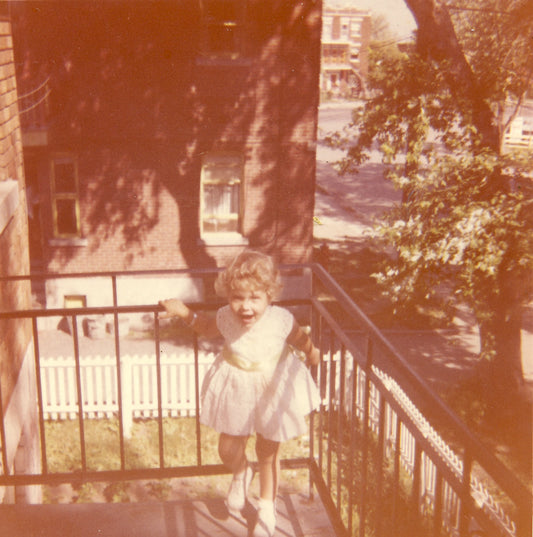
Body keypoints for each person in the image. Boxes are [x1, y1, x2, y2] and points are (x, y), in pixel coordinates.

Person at [159, 249, 320, 537]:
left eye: (254, 298)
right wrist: (184, 312)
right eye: (238, 298)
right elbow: (207, 328)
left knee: (268, 451)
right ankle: (241, 472)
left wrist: (312, 352)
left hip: (272, 387)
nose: (245, 307)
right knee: (228, 448)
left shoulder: (280, 319)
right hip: (237, 386)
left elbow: (299, 337)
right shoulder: (226, 317)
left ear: (269, 296)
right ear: (228, 296)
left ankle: (267, 510)